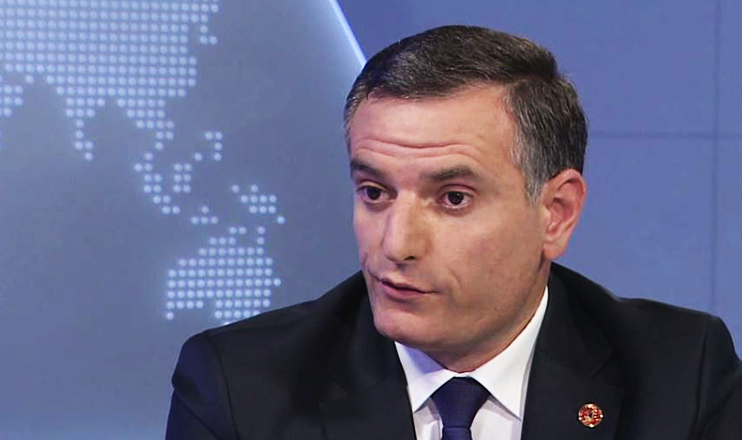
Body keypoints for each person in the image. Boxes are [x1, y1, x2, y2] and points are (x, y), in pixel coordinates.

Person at [165, 25, 742, 440]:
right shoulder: (240, 387)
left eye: (453, 199)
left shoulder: (678, 377)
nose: (396, 245)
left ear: (556, 213)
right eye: (375, 192)